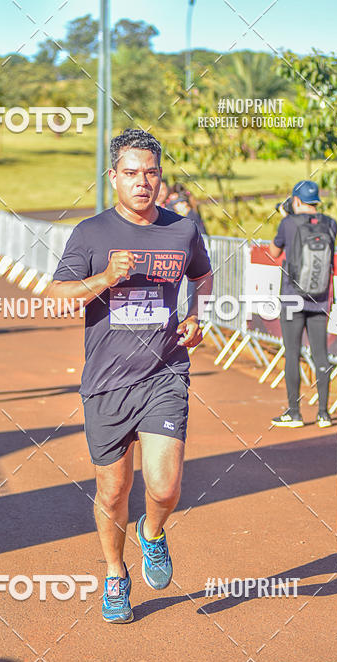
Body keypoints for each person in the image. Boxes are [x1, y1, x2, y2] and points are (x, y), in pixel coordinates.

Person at [45, 128, 213, 623]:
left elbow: (201, 275)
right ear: (114, 176)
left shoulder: (182, 230)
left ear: (161, 177)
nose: (143, 182)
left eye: (152, 173)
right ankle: (116, 575)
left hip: (165, 371)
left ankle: (153, 534)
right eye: (133, 173)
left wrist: (195, 314)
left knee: (163, 488)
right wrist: (105, 279)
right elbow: (55, 297)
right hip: (107, 382)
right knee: (112, 492)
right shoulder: (91, 234)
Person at [268, 180, 337, 428]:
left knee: (292, 354)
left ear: (296, 201)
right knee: (321, 355)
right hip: (320, 298)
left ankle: (294, 412)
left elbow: (274, 252)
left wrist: (286, 217)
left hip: (292, 297)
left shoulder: (287, 222)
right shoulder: (331, 223)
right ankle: (324, 413)